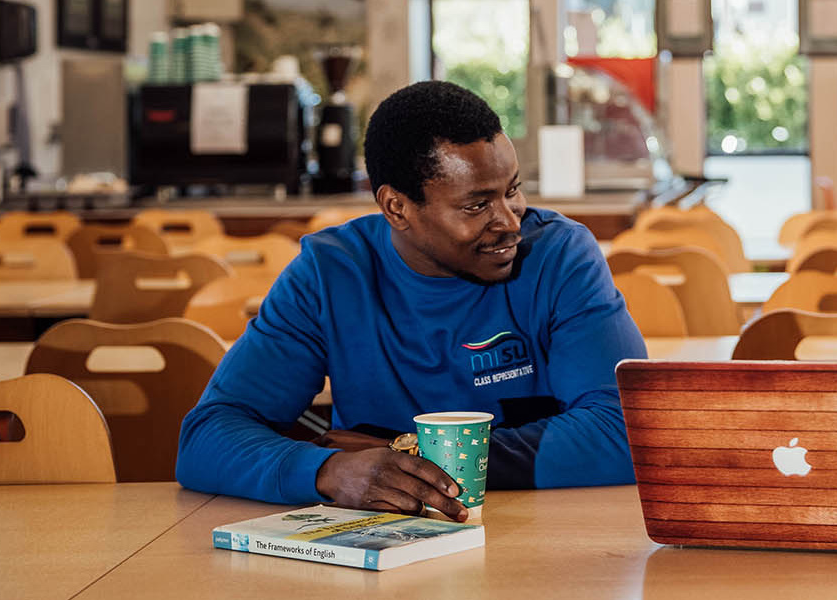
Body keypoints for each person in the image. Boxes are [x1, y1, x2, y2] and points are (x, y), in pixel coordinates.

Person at [177, 81, 646, 520]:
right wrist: (330, 472)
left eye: (513, 190)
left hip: (540, 534)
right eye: (476, 205)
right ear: (396, 208)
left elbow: (627, 431)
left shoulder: (560, 257)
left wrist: (405, 459)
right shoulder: (329, 274)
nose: (510, 222)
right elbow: (207, 437)